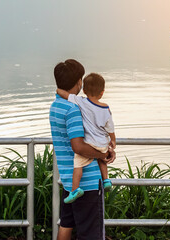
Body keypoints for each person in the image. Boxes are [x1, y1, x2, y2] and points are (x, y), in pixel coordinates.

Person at [49, 59, 115, 240]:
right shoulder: (73, 109)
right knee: (91, 234)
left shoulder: (56, 106)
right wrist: (103, 154)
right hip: (87, 182)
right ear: (78, 82)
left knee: (66, 225)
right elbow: (77, 145)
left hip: (70, 180)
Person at [57, 72, 116, 204]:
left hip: (89, 144)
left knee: (78, 164)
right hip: (102, 143)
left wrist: (57, 89)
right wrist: (113, 141)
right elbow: (110, 129)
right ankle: (106, 179)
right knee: (102, 158)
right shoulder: (106, 108)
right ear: (102, 92)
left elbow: (64, 94)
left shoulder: (81, 102)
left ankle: (75, 189)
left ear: (83, 90)